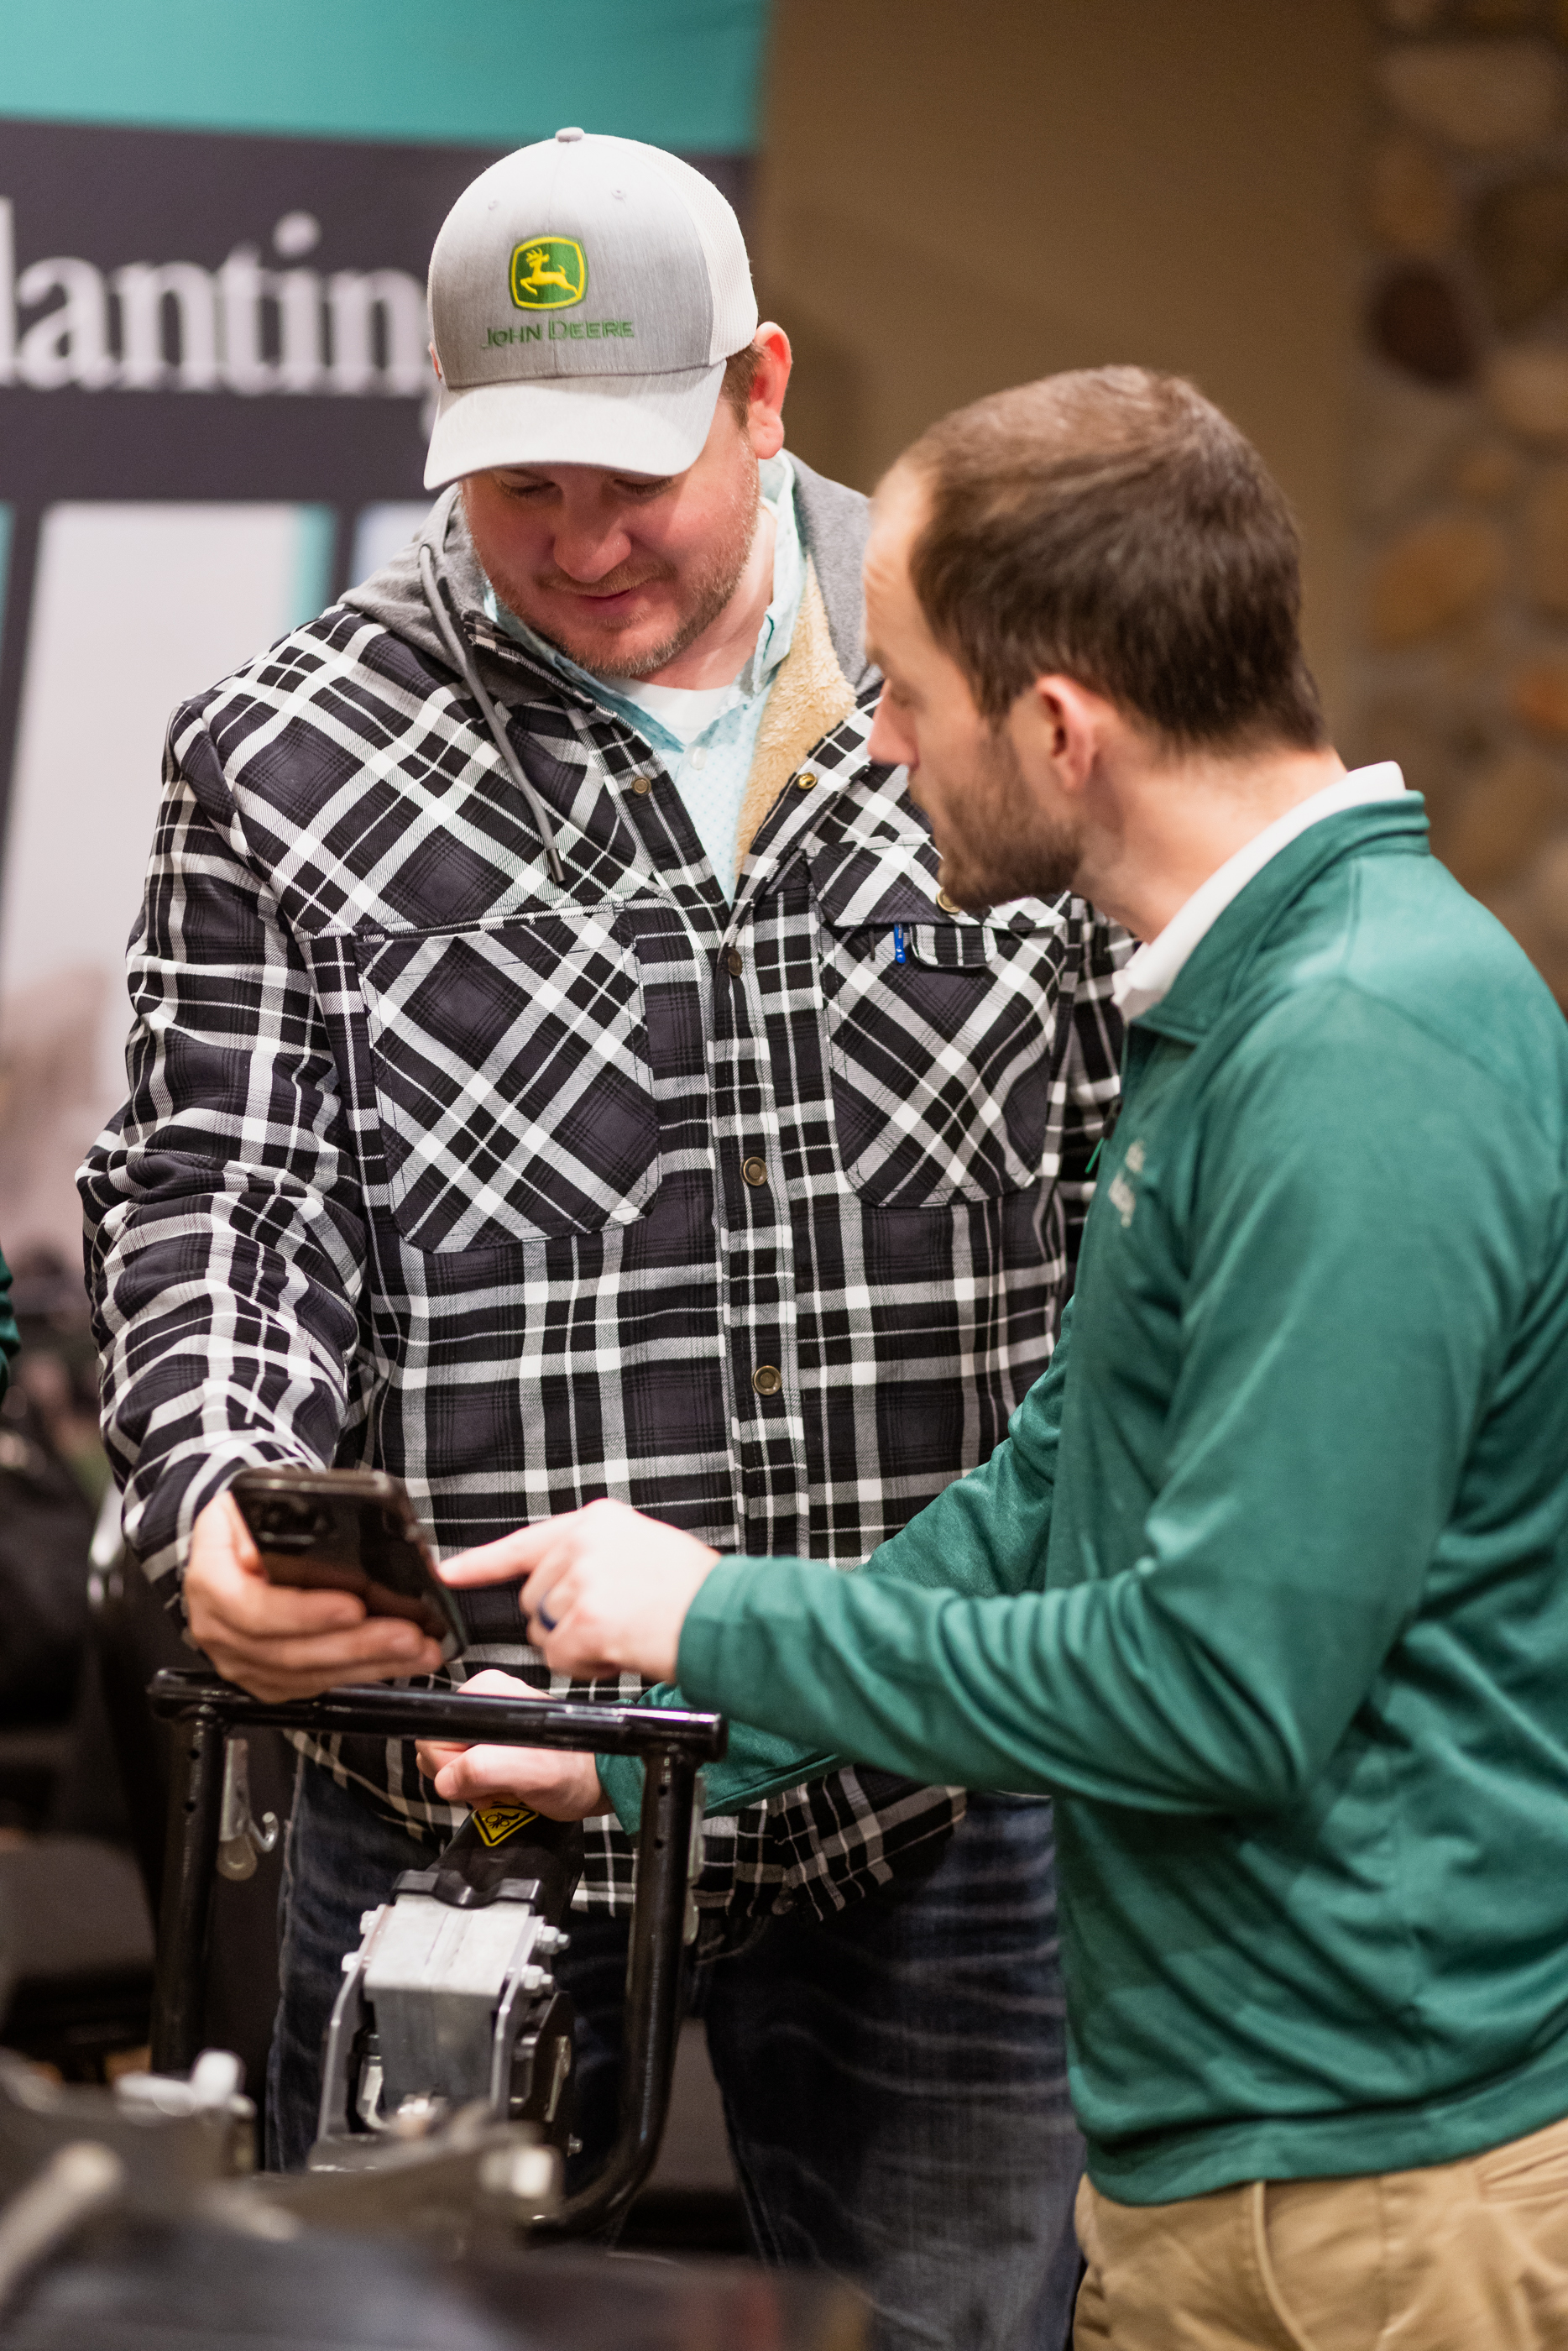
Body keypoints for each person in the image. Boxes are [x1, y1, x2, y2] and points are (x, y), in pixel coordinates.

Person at [81, 133, 1124, 2347]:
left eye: (631, 479)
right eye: (518, 486)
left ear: (758, 392)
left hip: (920, 1784)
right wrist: (212, 1503)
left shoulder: (1012, 694)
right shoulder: (285, 756)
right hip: (461, 1795)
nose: (579, 548)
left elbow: (1133, 1192)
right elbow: (221, 1202)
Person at [421, 367, 1568, 2351]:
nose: (873, 745)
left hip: (1377, 2207)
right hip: (1236, 2169)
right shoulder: (1234, 1006)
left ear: (1058, 724)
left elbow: (1219, 1686)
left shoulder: (1359, 1050)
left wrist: (712, 1614)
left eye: (904, 692)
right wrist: (659, 1751)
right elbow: (1049, 1498)